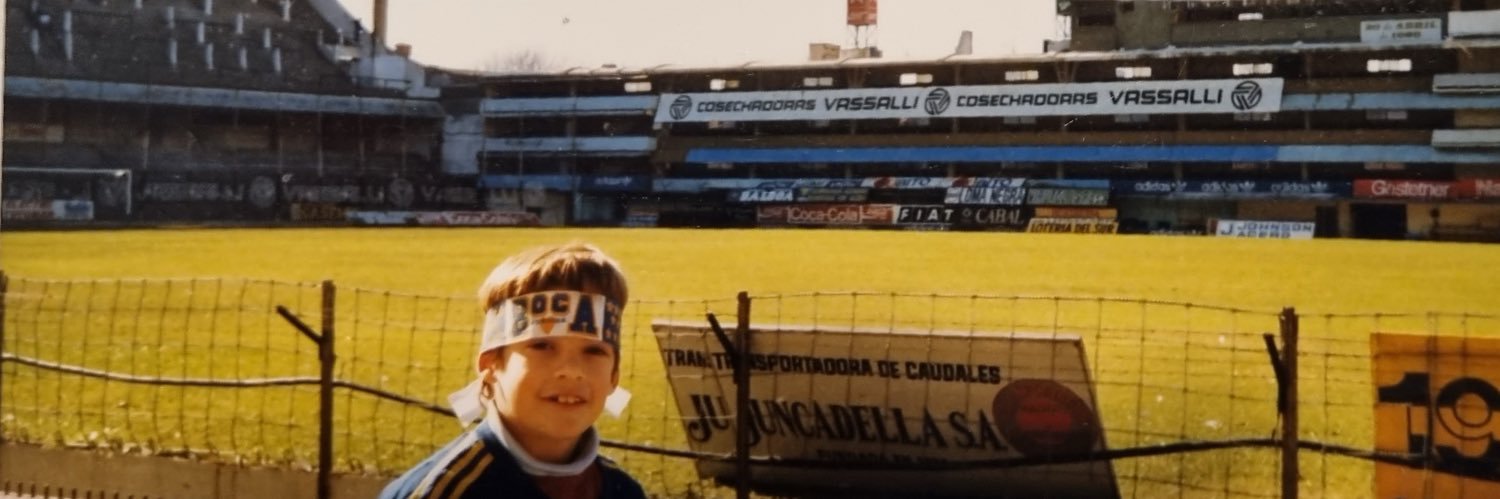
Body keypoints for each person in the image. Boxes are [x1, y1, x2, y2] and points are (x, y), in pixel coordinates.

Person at [381, 242, 645, 499]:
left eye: (594, 351)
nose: (571, 370)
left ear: (614, 376)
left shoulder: (624, 491)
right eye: (542, 346)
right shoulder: (441, 492)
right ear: (491, 366)